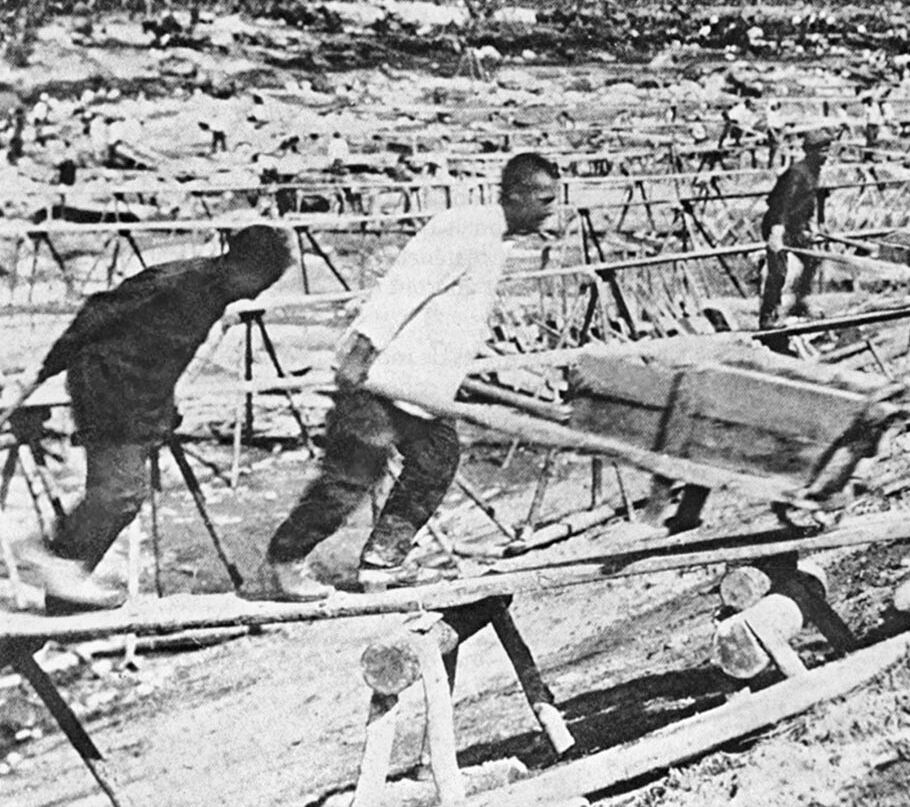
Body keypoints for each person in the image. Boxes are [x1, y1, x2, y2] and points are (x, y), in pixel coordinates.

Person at [256, 152, 560, 600]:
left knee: (437, 458)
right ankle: (284, 560)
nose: (551, 209)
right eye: (544, 199)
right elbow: (403, 287)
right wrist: (362, 348)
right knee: (352, 477)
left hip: (419, 388)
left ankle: (382, 561)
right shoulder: (464, 229)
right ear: (515, 194)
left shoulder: (498, 239)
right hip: (380, 380)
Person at [16, 226, 293, 612]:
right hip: (109, 385)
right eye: (265, 280)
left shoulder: (214, 292)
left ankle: (64, 575)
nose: (261, 291)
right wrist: (44, 371)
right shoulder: (180, 281)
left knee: (124, 493)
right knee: (122, 493)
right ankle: (56, 559)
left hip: (139, 393)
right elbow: (97, 313)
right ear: (246, 265)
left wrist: (163, 407)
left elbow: (164, 351)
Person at [757, 127, 835, 330]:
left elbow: (813, 199)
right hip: (778, 225)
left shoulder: (814, 172)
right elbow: (781, 203)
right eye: (822, 151)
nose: (826, 155)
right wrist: (777, 232)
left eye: (828, 150)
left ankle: (800, 301)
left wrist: (815, 223)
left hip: (796, 227)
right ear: (811, 151)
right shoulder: (797, 173)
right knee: (778, 272)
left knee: (812, 259)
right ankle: (768, 316)